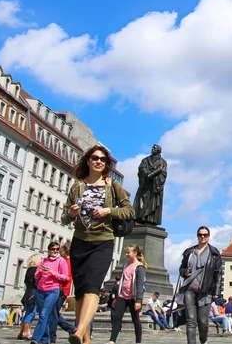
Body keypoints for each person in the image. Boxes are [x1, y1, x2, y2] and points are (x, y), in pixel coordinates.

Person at [63, 144, 135, 344]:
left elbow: (130, 211)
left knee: (93, 287)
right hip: (80, 242)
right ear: (88, 160)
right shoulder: (78, 186)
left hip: (102, 242)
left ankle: (78, 332)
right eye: (95, 158)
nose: (98, 161)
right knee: (79, 292)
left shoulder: (112, 185)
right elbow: (64, 218)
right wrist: (71, 214)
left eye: (103, 160)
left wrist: (108, 211)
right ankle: (86, 340)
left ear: (106, 165)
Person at [177, 225, 224, 344]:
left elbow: (218, 273)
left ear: (208, 237)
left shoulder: (213, 253)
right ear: (197, 236)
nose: (202, 237)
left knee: (203, 321)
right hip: (190, 288)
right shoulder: (189, 252)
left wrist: (217, 292)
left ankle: (203, 340)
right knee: (191, 320)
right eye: (200, 235)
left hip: (206, 290)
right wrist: (184, 273)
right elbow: (181, 268)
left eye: (205, 235)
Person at [34, 242, 71, 344]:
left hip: (53, 290)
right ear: (48, 250)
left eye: (57, 249)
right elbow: (36, 276)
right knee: (43, 314)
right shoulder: (43, 261)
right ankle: (45, 339)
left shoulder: (61, 261)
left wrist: (53, 273)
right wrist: (41, 271)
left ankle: (36, 338)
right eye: (52, 249)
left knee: (44, 314)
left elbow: (65, 277)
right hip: (41, 290)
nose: (55, 251)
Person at [110, 244, 147, 344]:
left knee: (135, 319)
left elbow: (139, 285)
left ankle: (138, 341)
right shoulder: (125, 265)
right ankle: (112, 341)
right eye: (126, 252)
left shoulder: (139, 267)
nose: (126, 254)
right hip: (122, 295)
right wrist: (117, 297)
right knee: (117, 317)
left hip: (133, 297)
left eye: (128, 252)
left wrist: (138, 300)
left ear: (135, 253)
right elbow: (122, 281)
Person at [19, 254, 42, 341]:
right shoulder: (37, 270)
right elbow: (37, 282)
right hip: (33, 293)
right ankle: (26, 333)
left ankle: (21, 332)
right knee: (31, 313)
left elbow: (25, 281)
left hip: (27, 292)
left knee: (27, 313)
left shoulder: (29, 270)